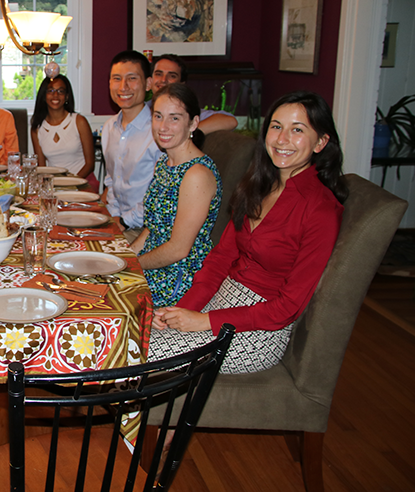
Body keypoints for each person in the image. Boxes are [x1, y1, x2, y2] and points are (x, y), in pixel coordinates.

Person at [148, 90, 348, 374]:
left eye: (298, 130)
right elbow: (220, 260)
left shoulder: (321, 210)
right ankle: (132, 414)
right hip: (221, 298)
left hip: (259, 329)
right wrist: (181, 310)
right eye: (276, 127)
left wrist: (205, 321)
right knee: (134, 336)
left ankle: (132, 415)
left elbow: (287, 307)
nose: (282, 139)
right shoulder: (258, 186)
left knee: (140, 354)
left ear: (321, 142)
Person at [129, 84, 222, 307]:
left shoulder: (196, 174)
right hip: (153, 267)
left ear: (194, 123)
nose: (163, 126)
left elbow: (179, 249)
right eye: (158, 116)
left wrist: (131, 265)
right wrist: (124, 256)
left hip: (176, 280)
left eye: (175, 118)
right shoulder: (164, 163)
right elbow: (152, 228)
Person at [101, 50, 161, 241]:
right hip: (119, 221)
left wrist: (125, 221)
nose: (123, 87)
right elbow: (112, 179)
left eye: (132, 78)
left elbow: (160, 194)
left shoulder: (159, 131)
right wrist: (114, 215)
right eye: (116, 79)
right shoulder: (110, 127)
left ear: (148, 83)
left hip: (147, 229)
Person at [30, 74, 98, 189]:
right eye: (51, 90)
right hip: (54, 186)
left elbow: (90, 164)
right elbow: (42, 168)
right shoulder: (37, 128)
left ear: (67, 97)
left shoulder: (79, 121)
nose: (55, 95)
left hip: (82, 182)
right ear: (44, 96)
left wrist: (71, 183)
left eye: (60, 91)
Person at [150, 54, 238, 133]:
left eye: (172, 76)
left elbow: (230, 121)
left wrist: (188, 132)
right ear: (149, 80)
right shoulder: (142, 110)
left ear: (181, 84)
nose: (163, 80)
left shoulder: (186, 112)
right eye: (158, 74)